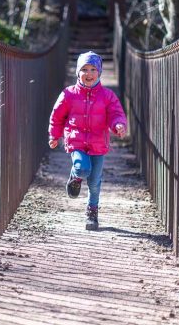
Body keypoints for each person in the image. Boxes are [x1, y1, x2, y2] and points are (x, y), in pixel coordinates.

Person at [48, 51, 127, 230]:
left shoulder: (107, 96)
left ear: (99, 72)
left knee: (94, 181)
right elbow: (57, 116)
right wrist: (54, 135)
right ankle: (75, 177)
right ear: (78, 72)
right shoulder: (69, 94)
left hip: (98, 142)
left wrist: (119, 125)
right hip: (76, 140)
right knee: (83, 168)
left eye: (93, 69)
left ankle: (92, 213)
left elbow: (116, 114)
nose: (88, 73)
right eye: (84, 69)